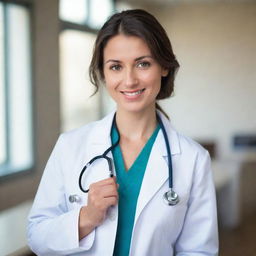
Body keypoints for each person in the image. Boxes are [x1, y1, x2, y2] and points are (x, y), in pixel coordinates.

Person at [27, 9, 218, 256]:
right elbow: (37, 236)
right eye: (116, 67)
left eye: (143, 64)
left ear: (164, 67)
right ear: (103, 74)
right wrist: (87, 217)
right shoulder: (70, 147)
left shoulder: (193, 159)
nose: (129, 80)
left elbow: (199, 251)